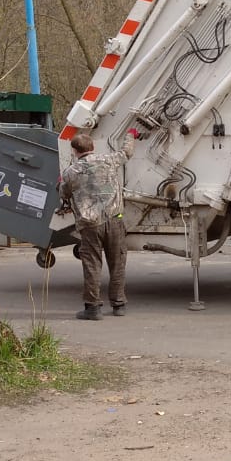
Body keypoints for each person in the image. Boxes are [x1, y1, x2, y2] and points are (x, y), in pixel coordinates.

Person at [58, 129, 138, 320]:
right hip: (114, 219)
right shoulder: (109, 160)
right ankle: (119, 304)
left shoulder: (71, 172)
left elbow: (64, 194)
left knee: (92, 265)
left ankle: (93, 308)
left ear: (74, 151)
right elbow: (127, 152)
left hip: (90, 224)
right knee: (117, 263)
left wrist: (61, 183)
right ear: (93, 147)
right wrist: (130, 135)